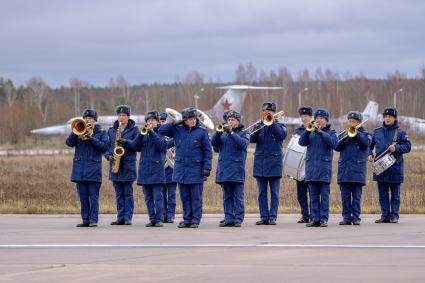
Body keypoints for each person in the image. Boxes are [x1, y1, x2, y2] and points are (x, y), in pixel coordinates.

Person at [159, 107, 212, 228]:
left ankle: (195, 220)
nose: (193, 121)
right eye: (190, 119)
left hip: (196, 169)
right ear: (184, 120)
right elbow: (161, 130)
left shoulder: (201, 132)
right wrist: (175, 122)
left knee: (196, 198)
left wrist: (207, 168)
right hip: (181, 169)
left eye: (194, 118)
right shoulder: (177, 130)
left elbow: (207, 152)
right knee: (184, 197)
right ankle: (187, 219)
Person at [66, 108, 108, 227]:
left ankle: (93, 220)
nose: (87, 120)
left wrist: (91, 138)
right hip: (80, 170)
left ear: (95, 120)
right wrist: (75, 131)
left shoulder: (101, 132)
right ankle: (85, 220)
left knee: (93, 197)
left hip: (93, 170)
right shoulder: (79, 130)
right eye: (85, 118)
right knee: (83, 197)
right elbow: (69, 143)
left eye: (90, 118)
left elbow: (104, 147)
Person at [124, 111, 167, 227]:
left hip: (157, 169)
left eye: (153, 120)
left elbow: (162, 146)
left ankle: (159, 219)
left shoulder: (162, 132)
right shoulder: (143, 133)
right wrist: (140, 135)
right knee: (148, 197)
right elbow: (135, 147)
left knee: (158, 197)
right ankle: (152, 219)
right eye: (148, 120)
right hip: (145, 169)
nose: (150, 122)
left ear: (157, 122)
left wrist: (152, 133)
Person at [368, 107, 411, 223]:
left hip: (395, 167)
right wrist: (370, 154)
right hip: (380, 167)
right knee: (382, 194)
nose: (387, 118)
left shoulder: (401, 133)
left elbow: (408, 147)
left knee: (395, 194)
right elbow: (369, 146)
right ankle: (385, 216)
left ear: (394, 118)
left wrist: (396, 148)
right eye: (386, 116)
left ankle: (394, 216)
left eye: (390, 116)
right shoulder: (377, 131)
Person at [250, 102, 287, 225]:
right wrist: (257, 129)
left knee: (274, 193)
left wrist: (272, 123)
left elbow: (281, 136)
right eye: (265, 112)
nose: (268, 113)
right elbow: (251, 139)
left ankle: (272, 217)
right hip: (260, 163)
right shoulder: (259, 125)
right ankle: (264, 216)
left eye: (270, 112)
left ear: (273, 112)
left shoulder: (280, 125)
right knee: (261, 193)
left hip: (274, 164)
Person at [299, 108, 337, 227]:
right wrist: (307, 130)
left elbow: (334, 144)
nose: (318, 120)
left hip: (324, 169)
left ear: (326, 120)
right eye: (317, 118)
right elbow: (301, 142)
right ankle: (315, 219)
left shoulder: (331, 132)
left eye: (321, 118)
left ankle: (323, 219)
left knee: (324, 196)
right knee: (313, 196)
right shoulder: (311, 132)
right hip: (311, 169)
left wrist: (322, 133)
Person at [211, 110, 249, 227]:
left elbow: (243, 144)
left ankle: (238, 219)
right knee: (227, 197)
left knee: (238, 197)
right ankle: (228, 218)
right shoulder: (223, 134)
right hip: (224, 170)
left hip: (236, 170)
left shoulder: (244, 133)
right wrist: (217, 133)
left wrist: (232, 133)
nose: (230, 122)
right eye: (229, 120)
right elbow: (214, 144)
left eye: (232, 120)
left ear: (238, 121)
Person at [104, 105, 139, 226]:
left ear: (128, 117)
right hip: (115, 166)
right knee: (118, 194)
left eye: (124, 115)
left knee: (128, 194)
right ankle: (120, 217)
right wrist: (108, 156)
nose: (121, 117)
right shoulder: (111, 130)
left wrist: (126, 142)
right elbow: (107, 147)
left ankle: (128, 217)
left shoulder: (135, 130)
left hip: (128, 166)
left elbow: (137, 146)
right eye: (119, 115)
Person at [335, 111, 371, 225]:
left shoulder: (365, 134)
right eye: (350, 121)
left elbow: (366, 144)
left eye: (353, 121)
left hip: (358, 170)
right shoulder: (344, 133)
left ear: (359, 123)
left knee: (356, 197)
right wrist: (345, 137)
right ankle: (346, 218)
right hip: (344, 169)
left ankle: (356, 217)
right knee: (345, 197)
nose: (351, 123)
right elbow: (336, 146)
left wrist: (356, 133)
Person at [293, 106, 313, 223]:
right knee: (301, 193)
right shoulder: (298, 131)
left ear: (311, 117)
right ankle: (305, 214)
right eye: (302, 116)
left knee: (312, 192)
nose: (304, 118)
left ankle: (313, 214)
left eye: (306, 116)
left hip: (311, 165)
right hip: (300, 166)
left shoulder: (315, 128)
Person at [159, 112, 177, 223]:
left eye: (164, 121)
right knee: (161, 194)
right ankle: (163, 214)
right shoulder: (157, 135)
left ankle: (170, 215)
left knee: (171, 194)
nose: (162, 123)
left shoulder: (174, 135)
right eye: (160, 121)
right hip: (161, 168)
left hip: (172, 167)